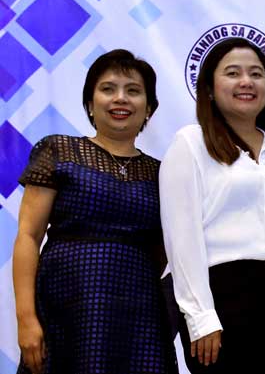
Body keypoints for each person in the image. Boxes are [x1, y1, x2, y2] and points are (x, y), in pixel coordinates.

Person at [12, 49, 177, 374]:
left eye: (133, 91)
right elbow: (28, 236)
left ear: (149, 108)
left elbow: (162, 251)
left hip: (140, 318)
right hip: (66, 310)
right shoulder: (59, 150)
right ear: (90, 103)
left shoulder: (164, 173)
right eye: (108, 89)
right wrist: (26, 319)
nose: (121, 99)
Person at [159, 37, 265, 373]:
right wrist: (201, 317)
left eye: (256, 74)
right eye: (233, 73)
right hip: (222, 298)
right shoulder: (190, 144)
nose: (246, 82)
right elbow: (182, 240)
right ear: (209, 88)